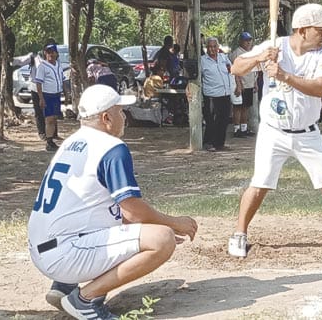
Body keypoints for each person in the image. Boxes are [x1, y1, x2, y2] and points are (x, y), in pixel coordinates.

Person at [27, 84, 198, 320]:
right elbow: (134, 210)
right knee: (162, 239)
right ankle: (84, 300)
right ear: (106, 117)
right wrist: (172, 223)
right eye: (119, 111)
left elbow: (121, 212)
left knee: (132, 227)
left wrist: (146, 229)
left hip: (44, 248)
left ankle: (64, 286)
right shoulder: (111, 147)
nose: (124, 117)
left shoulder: (71, 142)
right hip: (65, 253)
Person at [227, 3, 322, 258]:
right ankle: (239, 233)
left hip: (308, 132)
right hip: (273, 131)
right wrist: (260, 58)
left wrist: (284, 75)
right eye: (320, 29)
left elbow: (318, 88)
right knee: (260, 183)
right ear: (303, 30)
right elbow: (236, 67)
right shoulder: (276, 45)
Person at [200, 37, 233, 151]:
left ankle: (220, 143)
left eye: (214, 46)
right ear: (206, 48)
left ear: (218, 47)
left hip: (225, 93)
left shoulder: (224, 58)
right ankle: (208, 143)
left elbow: (231, 69)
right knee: (212, 121)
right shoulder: (202, 61)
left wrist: (237, 84)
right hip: (211, 95)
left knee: (224, 120)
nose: (212, 49)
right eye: (210, 47)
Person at [35, 43, 65, 151]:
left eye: (52, 52)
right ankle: (48, 141)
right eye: (48, 52)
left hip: (56, 94)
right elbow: (38, 83)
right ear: (45, 53)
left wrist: (65, 94)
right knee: (49, 119)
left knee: (54, 118)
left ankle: (51, 139)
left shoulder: (58, 65)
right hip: (48, 95)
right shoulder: (42, 66)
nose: (50, 54)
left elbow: (63, 79)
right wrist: (41, 98)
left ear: (56, 53)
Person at [229, 32, 257, 138]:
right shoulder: (237, 53)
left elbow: (254, 69)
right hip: (241, 84)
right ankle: (237, 129)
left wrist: (255, 83)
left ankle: (244, 128)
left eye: (250, 40)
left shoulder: (252, 53)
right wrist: (239, 84)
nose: (248, 42)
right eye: (246, 40)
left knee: (246, 107)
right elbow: (235, 70)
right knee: (238, 107)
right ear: (240, 41)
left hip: (249, 83)